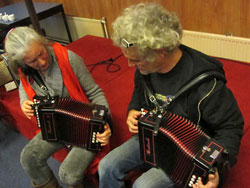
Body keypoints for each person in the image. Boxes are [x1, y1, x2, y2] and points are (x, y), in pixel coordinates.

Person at [98, 3, 244, 188]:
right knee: (107, 167)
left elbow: (231, 128)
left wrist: (212, 167)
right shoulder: (145, 69)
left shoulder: (207, 85)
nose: (129, 64)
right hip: (153, 135)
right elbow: (139, 93)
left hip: (187, 152)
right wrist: (133, 109)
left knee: (143, 186)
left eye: (135, 60)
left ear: (160, 52)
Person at [4, 26, 112, 188]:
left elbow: (95, 93)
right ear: (23, 63)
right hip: (54, 125)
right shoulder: (24, 70)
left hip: (85, 126)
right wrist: (24, 101)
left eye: (41, 53)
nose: (42, 62)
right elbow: (22, 86)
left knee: (68, 174)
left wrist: (103, 122)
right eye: (33, 61)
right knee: (28, 158)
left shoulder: (69, 59)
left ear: (43, 43)